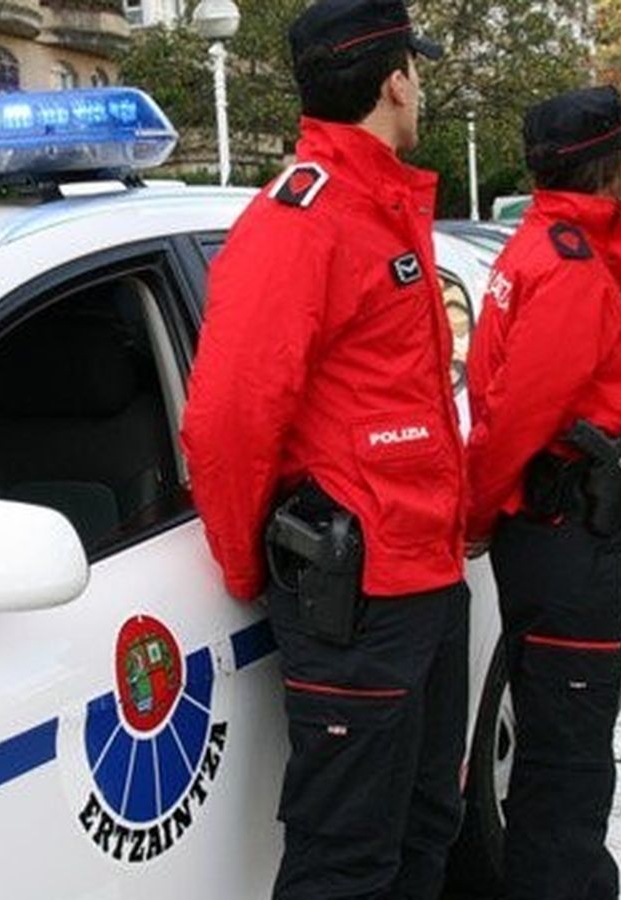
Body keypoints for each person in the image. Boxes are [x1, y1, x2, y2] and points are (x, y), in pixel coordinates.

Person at [179, 0, 470, 897]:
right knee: (346, 863)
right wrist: (244, 568)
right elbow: (227, 421)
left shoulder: (381, 209)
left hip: (424, 577)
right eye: (415, 71)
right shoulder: (300, 220)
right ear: (395, 80)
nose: (419, 87)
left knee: (426, 828)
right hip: (358, 600)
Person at [464, 85, 621, 900]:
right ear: (613, 167)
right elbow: (517, 417)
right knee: (567, 769)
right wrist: (477, 517)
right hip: (567, 544)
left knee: (558, 758)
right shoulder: (567, 269)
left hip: (551, 539)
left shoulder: (543, 249)